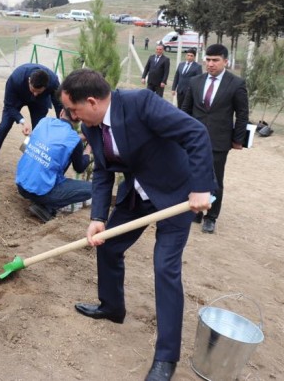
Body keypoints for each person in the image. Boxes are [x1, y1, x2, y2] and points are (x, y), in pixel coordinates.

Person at [60, 69, 214, 381]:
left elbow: (196, 133)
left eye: (74, 110)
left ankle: (166, 359)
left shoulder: (141, 103)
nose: (72, 117)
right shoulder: (92, 125)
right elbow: (103, 171)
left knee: (164, 269)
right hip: (137, 196)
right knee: (108, 245)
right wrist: (98, 218)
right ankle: (112, 307)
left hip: (176, 194)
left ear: (91, 102)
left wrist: (200, 187)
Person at [182, 44, 248, 234]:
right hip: (193, 140)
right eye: (208, 60)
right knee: (191, 173)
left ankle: (211, 217)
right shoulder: (195, 81)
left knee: (215, 179)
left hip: (219, 140)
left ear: (225, 61)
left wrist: (238, 140)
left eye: (215, 60)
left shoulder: (236, 83)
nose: (210, 64)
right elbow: (185, 111)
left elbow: (242, 114)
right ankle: (195, 211)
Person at [0, 63, 63, 173]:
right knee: (4, 126)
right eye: (33, 90)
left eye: (39, 91)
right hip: (17, 98)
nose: (35, 94)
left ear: (46, 86)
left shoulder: (53, 81)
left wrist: (62, 122)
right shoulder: (16, 78)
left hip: (39, 103)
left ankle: (31, 164)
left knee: (38, 131)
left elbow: (58, 104)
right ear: (29, 81)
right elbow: (9, 106)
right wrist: (22, 121)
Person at [16, 111, 92, 223]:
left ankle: (42, 201)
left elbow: (57, 142)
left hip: (21, 185)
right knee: (93, 189)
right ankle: (46, 208)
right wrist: (89, 148)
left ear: (61, 112)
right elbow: (79, 168)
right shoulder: (74, 141)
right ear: (78, 119)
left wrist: (79, 139)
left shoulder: (43, 122)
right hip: (40, 192)